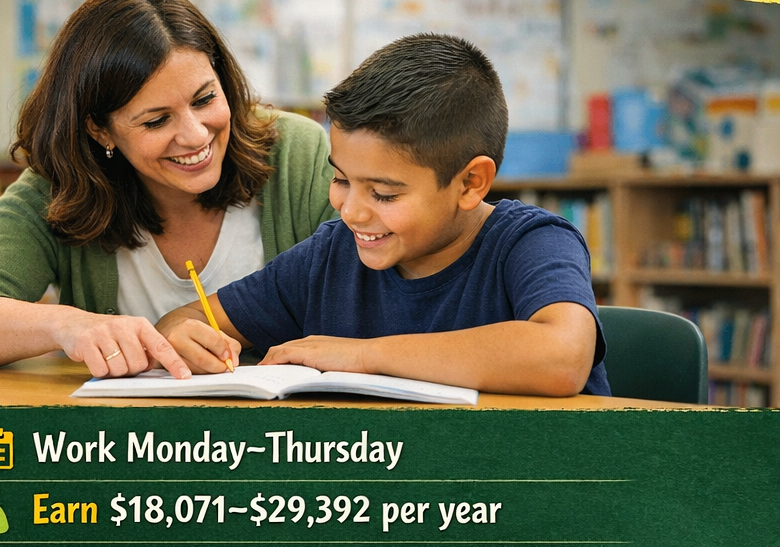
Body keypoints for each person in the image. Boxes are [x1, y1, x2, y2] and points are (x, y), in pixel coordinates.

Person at [0, 0, 335, 378]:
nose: (195, 135)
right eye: (156, 120)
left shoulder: (295, 152)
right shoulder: (58, 189)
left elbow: (367, 293)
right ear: (100, 130)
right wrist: (69, 325)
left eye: (205, 98)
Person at [157, 33, 611, 396]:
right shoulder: (330, 257)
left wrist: (361, 356)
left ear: (470, 183)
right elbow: (187, 319)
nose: (351, 211)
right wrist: (184, 336)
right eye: (341, 180)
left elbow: (561, 358)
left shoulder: (532, 242)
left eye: (384, 194)